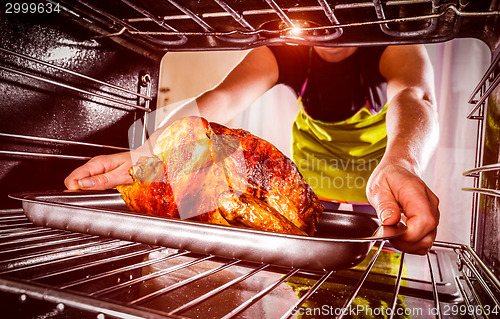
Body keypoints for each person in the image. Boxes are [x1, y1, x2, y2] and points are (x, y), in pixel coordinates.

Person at [65, 44, 440, 255]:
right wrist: (149, 153)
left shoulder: (393, 42)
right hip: (312, 180)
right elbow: (221, 98)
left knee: (376, 271)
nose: (331, 33)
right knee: (307, 267)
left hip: (377, 185)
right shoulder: (290, 49)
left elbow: (415, 95)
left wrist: (403, 161)